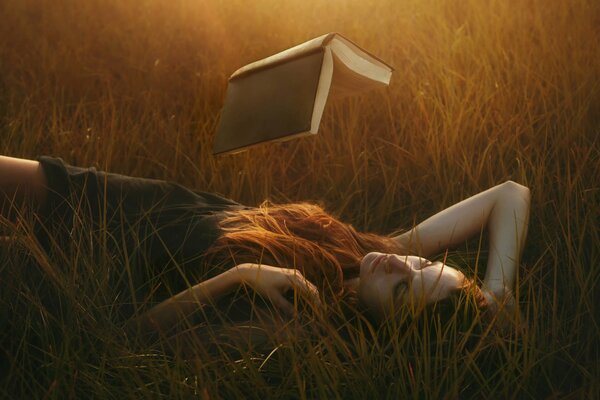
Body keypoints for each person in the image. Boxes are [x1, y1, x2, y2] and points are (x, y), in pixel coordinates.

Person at [0, 155, 530, 339]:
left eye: (403, 286)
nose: (399, 262)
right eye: (422, 263)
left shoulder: (296, 321)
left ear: (386, 330)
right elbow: (509, 195)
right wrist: (498, 290)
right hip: (132, 198)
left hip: (98, 250)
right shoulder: (369, 250)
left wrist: (239, 276)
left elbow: (128, 339)